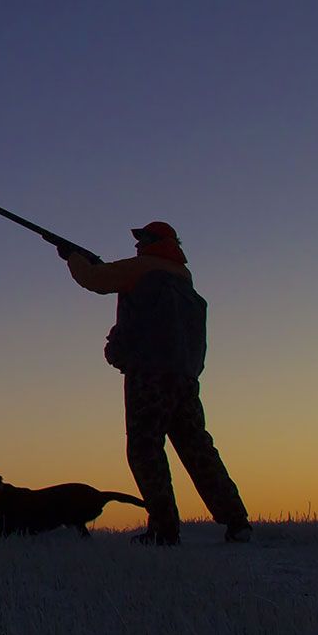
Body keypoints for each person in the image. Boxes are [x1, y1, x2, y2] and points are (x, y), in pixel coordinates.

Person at [63, 221, 252, 546]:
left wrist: (72, 258)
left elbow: (95, 280)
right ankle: (237, 521)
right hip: (184, 375)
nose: (137, 245)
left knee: (145, 449)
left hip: (149, 375)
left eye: (144, 239)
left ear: (156, 242)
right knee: (198, 449)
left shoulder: (142, 268)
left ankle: (164, 530)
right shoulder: (183, 277)